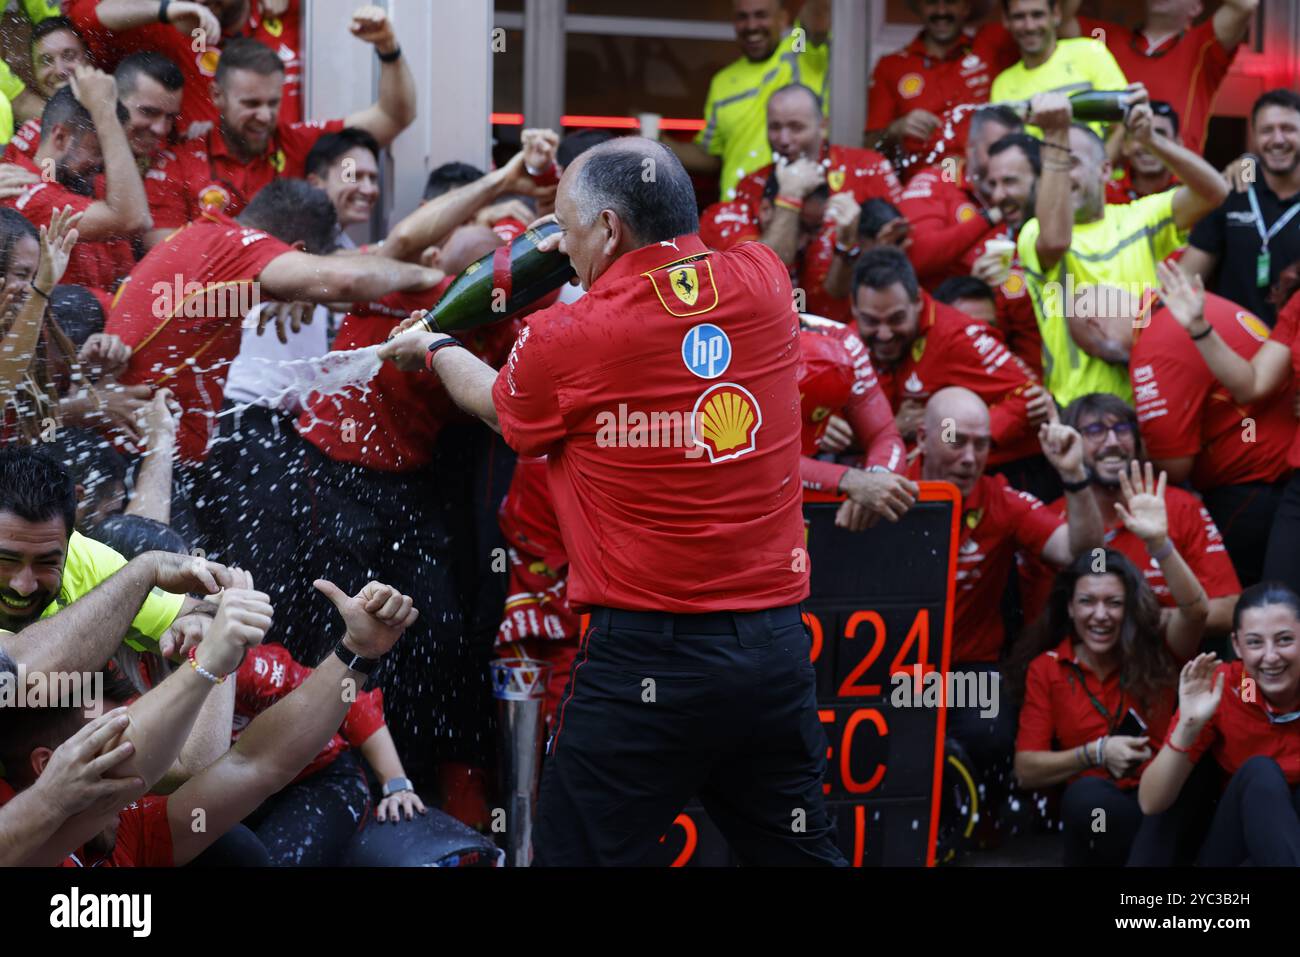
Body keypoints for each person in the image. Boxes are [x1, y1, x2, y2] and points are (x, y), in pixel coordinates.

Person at [380, 137, 847, 866]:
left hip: (649, 661)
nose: (559, 251)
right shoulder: (761, 279)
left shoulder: (569, 335)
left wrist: (435, 347)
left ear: (607, 229)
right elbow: (769, 243)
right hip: (775, 653)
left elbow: (502, 409)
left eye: (565, 230)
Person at [0, 570, 418, 867]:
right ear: (46, 767)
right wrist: (209, 660)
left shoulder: (126, 831)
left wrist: (357, 651)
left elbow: (254, 765)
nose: (150, 757)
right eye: (124, 733)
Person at [105, 178, 442, 471]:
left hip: (136, 449)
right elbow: (346, 282)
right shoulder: (243, 249)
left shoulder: (201, 240)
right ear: (296, 252)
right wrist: (424, 276)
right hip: (147, 458)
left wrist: (292, 294)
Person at [872, 387, 1102, 796]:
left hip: (966, 669)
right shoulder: (883, 487)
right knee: (886, 742)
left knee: (992, 733)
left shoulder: (1000, 500)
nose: (969, 458)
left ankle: (979, 826)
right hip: (887, 668)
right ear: (923, 438)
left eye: (981, 445)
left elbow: (1081, 552)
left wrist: (1073, 474)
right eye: (956, 441)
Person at [1018, 91, 1227, 406]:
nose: (1061, 173)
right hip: (1079, 411)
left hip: (1150, 399)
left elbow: (1214, 192)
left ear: (1104, 170)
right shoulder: (1033, 232)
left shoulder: (1138, 216)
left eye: (1070, 162)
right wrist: (1056, 136)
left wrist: (1151, 139)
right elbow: (1056, 240)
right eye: (1051, 166)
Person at [1011, 537, 1207, 866]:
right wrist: (1097, 753)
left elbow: (1197, 611)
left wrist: (1160, 545)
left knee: (1187, 782)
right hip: (1100, 818)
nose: (1100, 615)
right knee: (1087, 802)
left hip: (1164, 809)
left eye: (1113, 603)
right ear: (1070, 608)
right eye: (1087, 601)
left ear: (1129, 607)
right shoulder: (1047, 667)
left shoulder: (1157, 649)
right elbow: (1027, 770)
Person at [143, 24, 413, 244]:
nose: (264, 116)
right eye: (251, 104)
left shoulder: (296, 141)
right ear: (217, 96)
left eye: (273, 103)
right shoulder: (177, 162)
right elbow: (162, 249)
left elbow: (393, 117)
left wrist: (388, 47)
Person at [1019, 393, 1242, 636]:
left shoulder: (1180, 506)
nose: (1112, 441)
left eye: (1122, 429)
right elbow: (1039, 625)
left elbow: (1229, 609)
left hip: (1167, 663)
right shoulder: (1052, 521)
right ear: (1071, 443)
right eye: (1095, 431)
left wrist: (1149, 619)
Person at [1125, 277, 1292, 588]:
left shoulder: (1157, 341)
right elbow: (1252, 387)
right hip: (1271, 462)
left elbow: (1172, 465)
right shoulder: (1187, 315)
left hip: (1251, 481)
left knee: (1255, 596)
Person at [1138, 583, 1300, 865]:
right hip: (1234, 844)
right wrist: (1188, 726)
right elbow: (1151, 802)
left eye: (1285, 640)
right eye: (1255, 643)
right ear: (1236, 645)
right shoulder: (1222, 688)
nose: (1271, 656)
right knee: (1260, 772)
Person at [849, 246, 1048, 473]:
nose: (884, 333)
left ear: (917, 302)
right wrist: (831, 427)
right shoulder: (845, 344)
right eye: (871, 321)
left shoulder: (957, 337)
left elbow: (1026, 397)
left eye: (896, 319)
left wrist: (944, 435)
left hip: (1001, 471)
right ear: (854, 309)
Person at [722, 83, 902, 324]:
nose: (784, 140)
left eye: (796, 127)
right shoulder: (751, 185)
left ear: (823, 125)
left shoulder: (869, 169)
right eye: (775, 127)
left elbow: (900, 262)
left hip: (857, 329)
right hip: (775, 330)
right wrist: (790, 194)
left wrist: (850, 244)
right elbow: (754, 275)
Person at [233, 643, 425, 865]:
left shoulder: (249, 669)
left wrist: (397, 786)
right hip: (249, 788)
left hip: (323, 779)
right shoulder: (187, 678)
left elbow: (350, 699)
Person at [1, 69, 150, 304]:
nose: (105, 165)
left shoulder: (64, 163)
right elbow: (135, 219)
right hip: (64, 331)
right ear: (59, 138)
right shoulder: (23, 191)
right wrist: (104, 113)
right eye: (99, 151)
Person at [659, 0, 830, 201]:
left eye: (761, 15)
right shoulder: (722, 82)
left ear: (783, 19)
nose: (751, 26)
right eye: (742, 17)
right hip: (738, 213)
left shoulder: (799, 51)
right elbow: (711, 156)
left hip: (798, 206)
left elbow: (818, 15)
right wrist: (658, 144)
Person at [65, 0, 304, 135]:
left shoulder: (290, 11)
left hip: (298, 182)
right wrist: (163, 10)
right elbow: (85, 17)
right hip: (203, 194)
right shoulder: (168, 27)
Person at [866, 0, 1028, 175]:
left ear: (967, 7)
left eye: (951, 2)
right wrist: (896, 129)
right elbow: (869, 149)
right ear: (918, 6)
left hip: (989, 181)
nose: (941, 11)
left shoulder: (992, 44)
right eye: (931, 2)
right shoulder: (891, 66)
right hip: (922, 187)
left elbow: (1043, 31)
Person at [1076, 0, 1257, 156]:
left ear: (1196, 7)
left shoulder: (1202, 45)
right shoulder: (1103, 36)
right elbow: (1057, 17)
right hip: (1112, 185)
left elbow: (1245, 4)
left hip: (1178, 184)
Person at [1181, 90, 1300, 327]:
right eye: (1267, 130)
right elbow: (1186, 280)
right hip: (1232, 348)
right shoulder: (1232, 190)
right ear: (1254, 136)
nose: (1278, 139)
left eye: (1288, 129)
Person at [897, 106, 1021, 290]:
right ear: (970, 149)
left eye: (1016, 150)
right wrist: (990, 217)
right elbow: (917, 256)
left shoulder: (1029, 182)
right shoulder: (942, 179)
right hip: (956, 309)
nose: (1006, 161)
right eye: (996, 150)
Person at [990, 0, 1128, 138]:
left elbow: (1122, 123)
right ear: (1006, 20)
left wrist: (1101, 160)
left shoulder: (1090, 52)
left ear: (1055, 14)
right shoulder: (1002, 85)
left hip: (1096, 156)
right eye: (1019, 17)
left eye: (1037, 15)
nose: (1029, 26)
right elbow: (1005, 149)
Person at [1106, 101, 1179, 205]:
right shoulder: (1105, 194)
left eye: (1159, 135)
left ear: (1178, 144)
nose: (1148, 145)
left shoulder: (1194, 193)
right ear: (1125, 145)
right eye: (1139, 134)